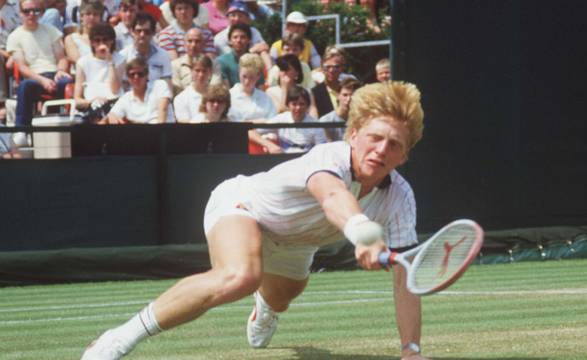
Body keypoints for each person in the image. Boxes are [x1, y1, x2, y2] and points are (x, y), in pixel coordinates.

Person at [81, 80, 427, 360]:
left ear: (405, 155)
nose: (382, 149)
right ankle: (118, 339)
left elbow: (405, 280)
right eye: (375, 138)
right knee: (239, 276)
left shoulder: (401, 197)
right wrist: (363, 233)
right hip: (244, 206)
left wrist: (411, 352)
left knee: (282, 298)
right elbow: (334, 196)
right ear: (354, 135)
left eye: (394, 144)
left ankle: (265, 307)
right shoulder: (329, 156)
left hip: (297, 242)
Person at [7, 0, 73, 133]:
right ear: (20, 13)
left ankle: (70, 129)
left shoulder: (51, 31)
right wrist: (42, 81)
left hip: (55, 74)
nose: (31, 14)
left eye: (36, 11)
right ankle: (22, 130)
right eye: (27, 11)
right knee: (25, 86)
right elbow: (22, 67)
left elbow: (61, 58)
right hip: (34, 77)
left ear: (42, 13)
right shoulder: (15, 36)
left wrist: (60, 71)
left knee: (69, 83)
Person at [73, 22, 125, 122]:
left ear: (111, 41)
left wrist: (110, 62)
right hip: (93, 106)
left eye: (105, 40)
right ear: (92, 42)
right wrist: (90, 102)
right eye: (97, 40)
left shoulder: (120, 59)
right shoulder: (83, 62)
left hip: (115, 103)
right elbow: (77, 99)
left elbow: (115, 90)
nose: (101, 44)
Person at [107, 57, 174, 124]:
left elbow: (163, 110)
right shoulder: (126, 98)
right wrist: (111, 116)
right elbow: (111, 115)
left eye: (140, 74)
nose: (136, 77)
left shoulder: (159, 85)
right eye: (132, 75)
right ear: (128, 78)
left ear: (147, 75)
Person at [264, 85, 326, 153]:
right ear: (288, 105)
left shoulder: (316, 125)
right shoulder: (281, 119)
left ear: (307, 106)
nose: (298, 108)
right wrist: (269, 145)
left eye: (302, 104)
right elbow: (252, 132)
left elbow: (321, 151)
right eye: (294, 104)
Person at [213, 1, 271, 69]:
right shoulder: (220, 37)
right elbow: (234, 58)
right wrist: (252, 50)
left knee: (263, 53)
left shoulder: (253, 31)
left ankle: (271, 73)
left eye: (240, 16)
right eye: (233, 15)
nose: (237, 19)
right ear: (228, 17)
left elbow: (264, 47)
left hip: (251, 66)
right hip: (230, 68)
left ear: (247, 18)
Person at [119, 12, 172, 85]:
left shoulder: (163, 55)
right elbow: (123, 85)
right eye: (138, 31)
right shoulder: (123, 56)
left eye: (146, 31)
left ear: (153, 32)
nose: (142, 35)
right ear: (132, 32)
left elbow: (167, 83)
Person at [171, 27, 222, 94]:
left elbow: (215, 87)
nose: (193, 45)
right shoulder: (175, 65)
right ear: (184, 44)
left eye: (197, 41)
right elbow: (177, 89)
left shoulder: (214, 64)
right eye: (190, 41)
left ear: (203, 44)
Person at [318, 77, 362, 142]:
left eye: (353, 95)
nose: (348, 99)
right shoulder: (326, 121)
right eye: (345, 95)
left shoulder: (362, 120)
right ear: (338, 96)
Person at [173, 55, 214, 122]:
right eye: (197, 70)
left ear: (210, 72)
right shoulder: (181, 98)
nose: (201, 75)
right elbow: (184, 124)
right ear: (191, 71)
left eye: (204, 71)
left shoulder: (217, 96)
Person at [312, 45, 348, 117]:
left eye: (336, 67)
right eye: (327, 67)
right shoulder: (314, 92)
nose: (331, 70)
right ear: (322, 66)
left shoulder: (348, 90)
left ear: (342, 67)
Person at [216, 22, 255, 87]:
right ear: (230, 41)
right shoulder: (221, 61)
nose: (238, 40)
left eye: (242, 37)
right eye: (235, 37)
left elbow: (260, 87)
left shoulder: (255, 61)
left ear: (249, 40)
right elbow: (225, 89)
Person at [64, 0, 103, 65]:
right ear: (81, 17)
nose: (92, 17)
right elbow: (78, 62)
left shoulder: (106, 38)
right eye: (88, 14)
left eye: (95, 14)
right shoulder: (71, 39)